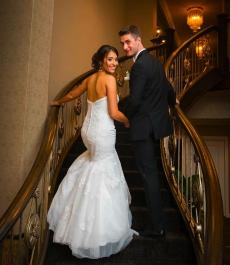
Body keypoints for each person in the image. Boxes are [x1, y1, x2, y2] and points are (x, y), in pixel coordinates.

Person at [47, 45, 137, 259]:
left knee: (91, 166)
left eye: (116, 59)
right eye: (110, 59)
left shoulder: (90, 79)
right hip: (102, 132)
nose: (114, 63)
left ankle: (74, 223)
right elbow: (114, 112)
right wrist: (127, 121)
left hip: (87, 132)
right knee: (102, 171)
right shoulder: (109, 80)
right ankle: (94, 233)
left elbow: (73, 93)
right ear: (101, 61)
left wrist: (58, 101)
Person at [118, 25, 176, 238]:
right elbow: (167, 87)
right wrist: (173, 102)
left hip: (143, 128)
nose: (125, 47)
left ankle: (156, 227)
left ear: (138, 40)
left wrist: (123, 117)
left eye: (128, 42)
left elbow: (134, 100)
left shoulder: (139, 66)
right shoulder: (155, 63)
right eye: (122, 43)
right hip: (156, 126)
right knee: (152, 174)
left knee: (149, 176)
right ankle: (158, 223)